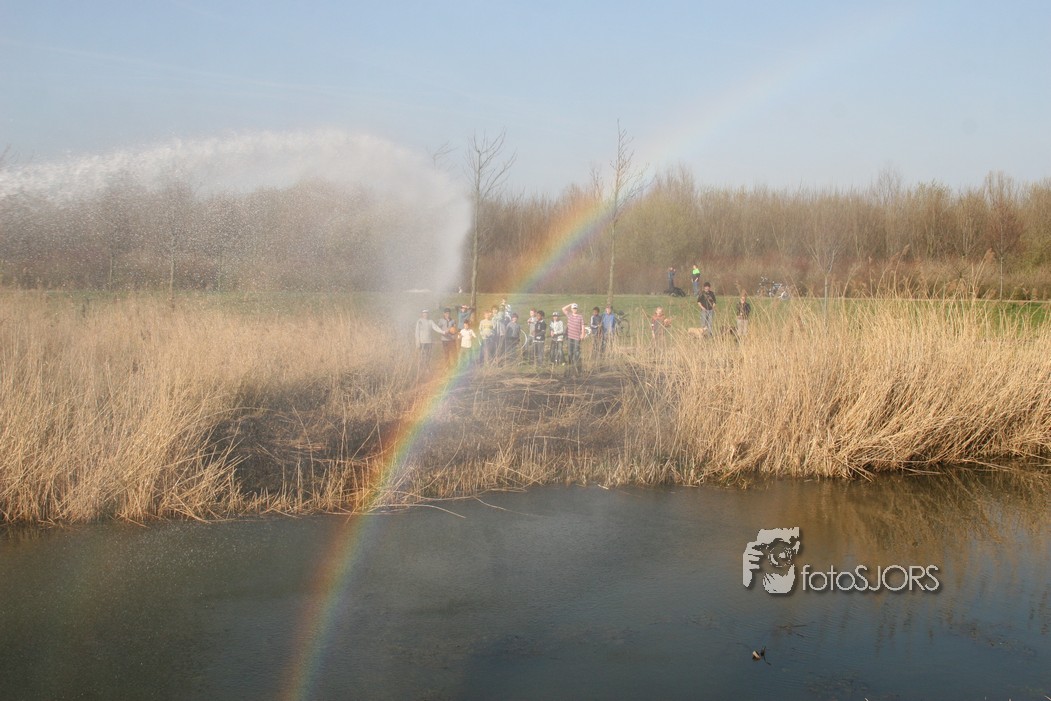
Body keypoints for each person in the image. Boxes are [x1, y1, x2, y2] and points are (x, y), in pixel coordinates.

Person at [562, 302, 585, 371]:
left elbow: (582, 325)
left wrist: (582, 334)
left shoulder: (580, 316)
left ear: (577, 309)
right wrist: (570, 304)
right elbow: (563, 309)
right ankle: (570, 364)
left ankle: (577, 364)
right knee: (570, 351)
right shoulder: (569, 315)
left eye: (575, 308)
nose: (574, 309)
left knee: (576, 351)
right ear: (571, 309)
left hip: (577, 337)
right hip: (570, 336)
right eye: (573, 308)